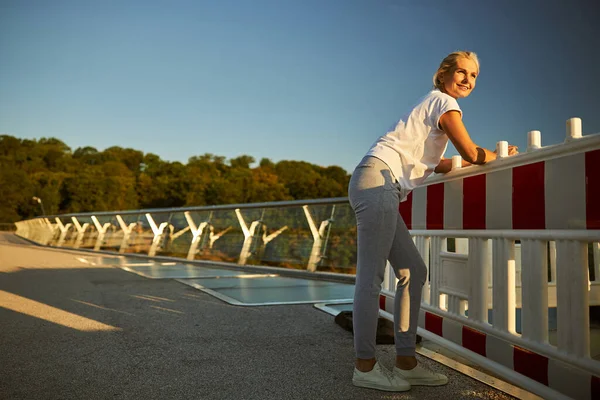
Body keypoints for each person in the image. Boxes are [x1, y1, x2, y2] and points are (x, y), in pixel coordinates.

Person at [348, 51, 518, 392]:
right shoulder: (444, 103)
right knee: (370, 279)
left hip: (380, 184)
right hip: (379, 183)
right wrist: (500, 156)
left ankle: (407, 362)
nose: (468, 79)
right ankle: (364, 367)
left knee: (414, 271)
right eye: (462, 72)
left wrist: (460, 163)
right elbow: (470, 152)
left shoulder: (430, 107)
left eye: (474, 76)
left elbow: (436, 163)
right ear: (442, 75)